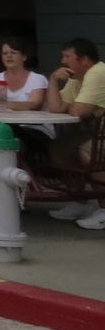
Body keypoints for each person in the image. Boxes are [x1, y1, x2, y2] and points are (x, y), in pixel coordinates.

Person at [43, 38, 105, 224]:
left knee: (89, 151)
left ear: (84, 59)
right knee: (59, 148)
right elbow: (56, 108)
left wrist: (73, 106)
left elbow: (77, 111)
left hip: (100, 135)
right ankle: (80, 203)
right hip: (95, 132)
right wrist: (53, 80)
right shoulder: (77, 78)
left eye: (67, 56)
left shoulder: (97, 72)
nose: (63, 61)